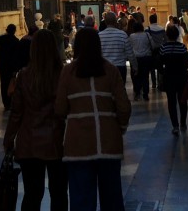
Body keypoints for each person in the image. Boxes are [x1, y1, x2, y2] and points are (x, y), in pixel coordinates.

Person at [55, 27, 131, 211]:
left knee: (82, 200)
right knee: (112, 198)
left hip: (78, 145)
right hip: (108, 143)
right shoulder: (111, 71)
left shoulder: (68, 72)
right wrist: (119, 128)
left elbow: (59, 108)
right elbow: (123, 107)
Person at [3, 29, 68, 211]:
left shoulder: (24, 75)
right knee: (59, 193)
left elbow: (17, 112)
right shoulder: (62, 75)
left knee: (32, 194)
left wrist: (9, 139)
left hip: (29, 141)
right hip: (57, 141)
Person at [157, 24, 188, 135]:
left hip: (169, 78)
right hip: (181, 77)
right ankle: (183, 123)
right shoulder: (181, 47)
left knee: (171, 102)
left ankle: (175, 126)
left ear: (167, 35)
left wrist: (163, 72)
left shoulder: (163, 47)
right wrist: (182, 68)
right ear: (177, 35)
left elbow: (159, 63)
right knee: (182, 101)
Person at [0, 24, 20, 111]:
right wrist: (16, 69)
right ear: (14, 31)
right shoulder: (16, 41)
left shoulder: (1, 38)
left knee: (3, 83)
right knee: (11, 83)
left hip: (2, 64)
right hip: (11, 66)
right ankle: (10, 102)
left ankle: (5, 103)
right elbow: (17, 56)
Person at [99, 11, 136, 83]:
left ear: (105, 22)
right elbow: (130, 53)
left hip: (105, 68)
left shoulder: (99, 36)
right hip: (120, 67)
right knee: (120, 89)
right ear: (115, 21)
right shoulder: (122, 34)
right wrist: (135, 66)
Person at [126, 17, 152, 101]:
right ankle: (146, 93)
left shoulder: (131, 36)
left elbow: (129, 47)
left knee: (136, 76)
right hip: (146, 58)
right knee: (145, 76)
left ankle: (137, 93)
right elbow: (153, 45)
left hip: (135, 59)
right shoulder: (147, 35)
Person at [145, 13, 167, 90]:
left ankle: (153, 83)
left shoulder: (147, 29)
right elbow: (165, 40)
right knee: (160, 67)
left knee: (152, 68)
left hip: (151, 50)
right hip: (160, 50)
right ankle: (160, 83)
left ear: (149, 20)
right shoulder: (161, 28)